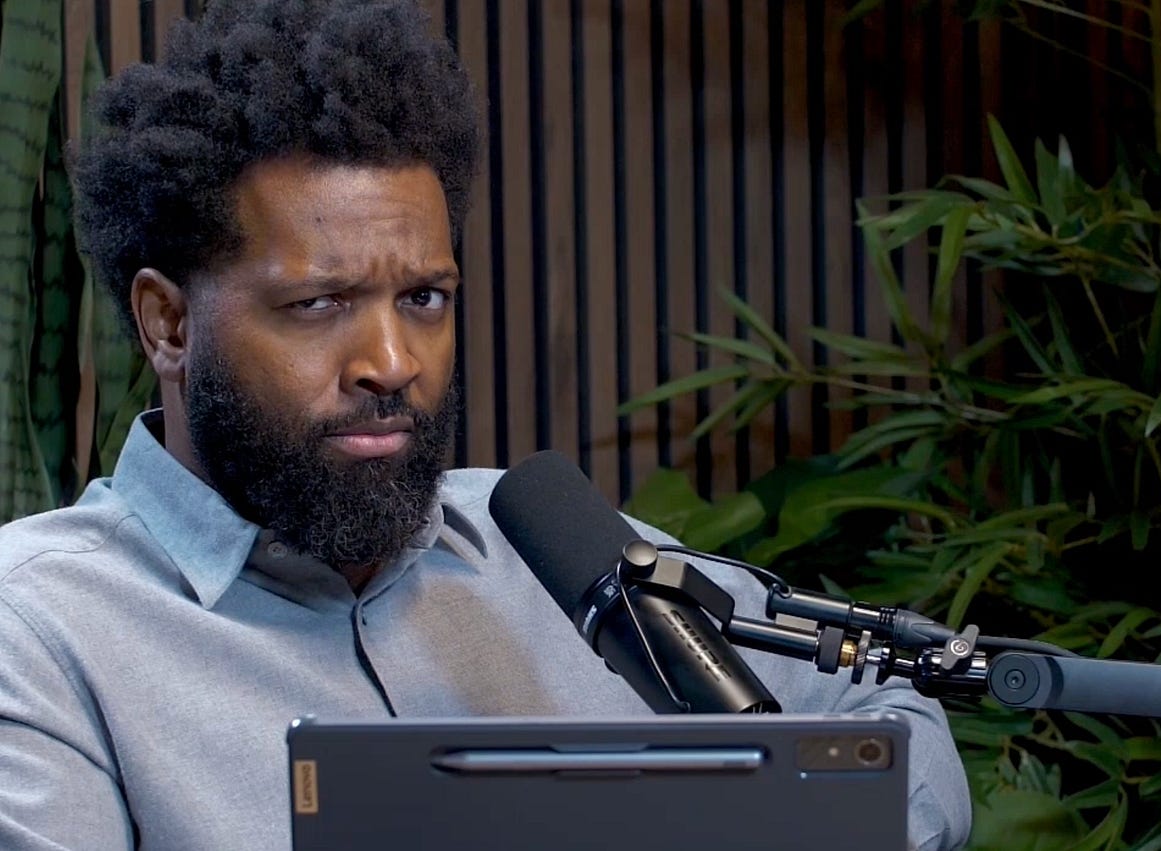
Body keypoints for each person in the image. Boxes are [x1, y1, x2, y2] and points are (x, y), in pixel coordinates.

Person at [0, 1, 973, 849]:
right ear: (167, 321)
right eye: (318, 305)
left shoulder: (553, 552)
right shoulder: (39, 630)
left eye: (424, 297)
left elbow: (886, 715)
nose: (392, 362)